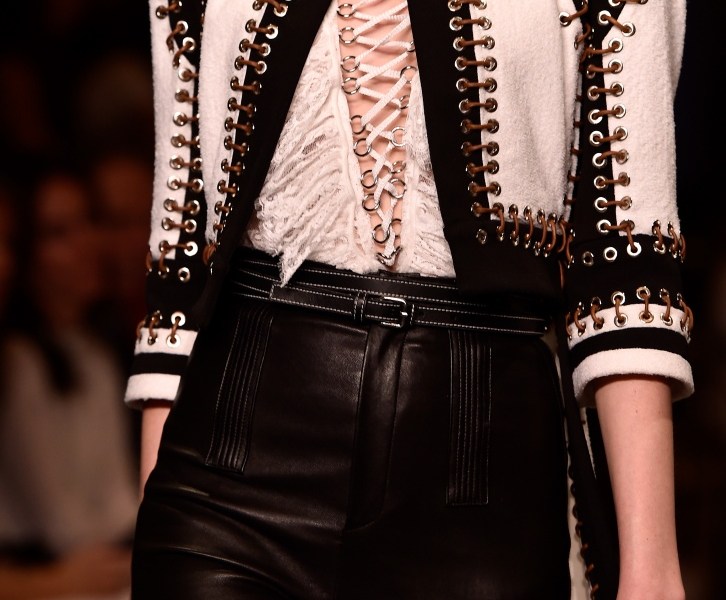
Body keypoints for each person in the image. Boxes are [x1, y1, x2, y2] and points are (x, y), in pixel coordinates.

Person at [128, 1, 693, 599]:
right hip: (230, 457)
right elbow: (183, 254)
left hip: (477, 462)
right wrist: (150, 508)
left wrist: (651, 569)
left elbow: (624, 260)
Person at [0, 166, 138, 599]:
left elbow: (118, 497)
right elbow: (60, 523)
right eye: (60, 233)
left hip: (100, 558)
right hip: (44, 570)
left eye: (88, 221)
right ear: (28, 254)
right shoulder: (20, 363)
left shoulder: (97, 350)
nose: (88, 242)